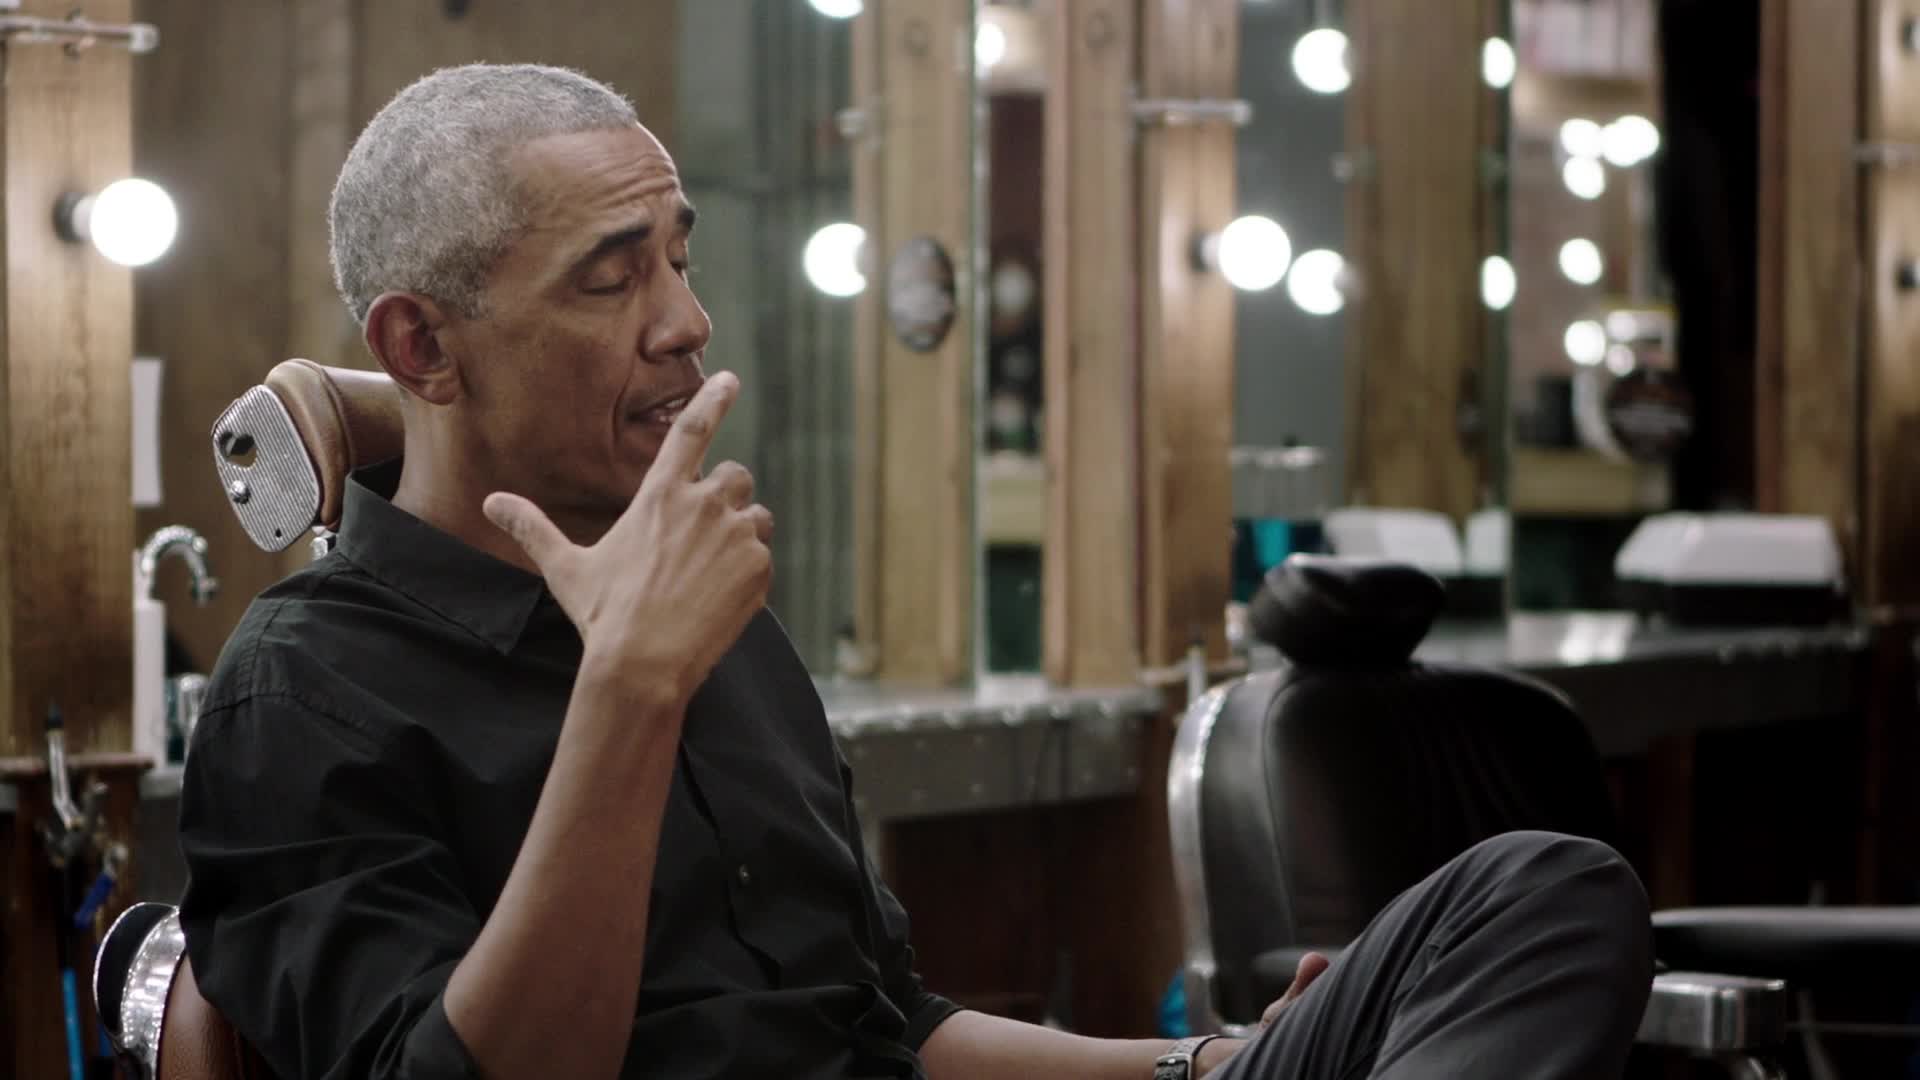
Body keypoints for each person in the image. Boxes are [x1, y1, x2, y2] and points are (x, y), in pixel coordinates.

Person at [178, 63, 1654, 1080]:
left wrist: (1204, 1063)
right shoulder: (304, 691)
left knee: (1538, 892)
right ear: (421, 348)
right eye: (612, 278)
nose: (686, 321)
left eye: (680, 257)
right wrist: (628, 688)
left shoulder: (712, 618)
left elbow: (886, 1027)